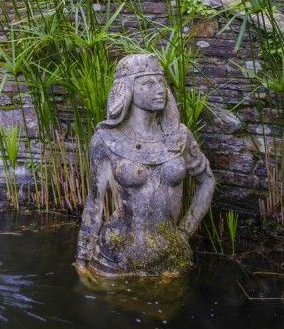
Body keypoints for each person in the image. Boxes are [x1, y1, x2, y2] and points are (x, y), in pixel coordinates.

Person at [76, 53, 215, 277]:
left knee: (168, 311)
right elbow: (95, 203)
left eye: (161, 82)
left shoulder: (179, 136)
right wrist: (82, 259)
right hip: (114, 257)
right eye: (148, 83)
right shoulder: (106, 139)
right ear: (127, 88)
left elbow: (207, 180)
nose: (159, 89)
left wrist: (185, 231)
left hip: (171, 255)